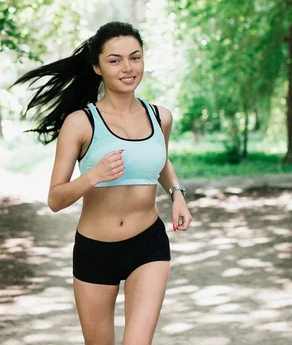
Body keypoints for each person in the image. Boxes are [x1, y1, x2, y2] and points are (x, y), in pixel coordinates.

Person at [13, 21, 193, 345]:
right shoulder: (80, 123)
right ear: (97, 66)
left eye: (135, 58)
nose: (127, 68)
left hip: (148, 244)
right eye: (115, 60)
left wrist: (177, 194)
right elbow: (55, 199)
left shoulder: (160, 116)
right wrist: (93, 176)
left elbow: (159, 160)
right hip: (95, 250)